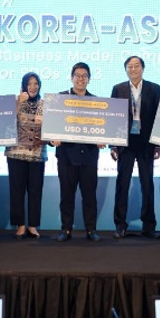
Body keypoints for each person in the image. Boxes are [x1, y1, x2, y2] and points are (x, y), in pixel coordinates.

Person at [110, 55, 160, 240]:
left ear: (143, 68)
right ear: (126, 69)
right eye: (129, 66)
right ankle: (120, 225)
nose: (133, 69)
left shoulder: (154, 89)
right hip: (125, 144)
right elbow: (113, 118)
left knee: (147, 185)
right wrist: (114, 145)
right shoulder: (118, 89)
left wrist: (158, 144)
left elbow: (159, 117)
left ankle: (149, 225)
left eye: (136, 66)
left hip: (146, 143)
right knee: (122, 185)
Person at [53, 63, 103, 242]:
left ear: (89, 79)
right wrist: (53, 138)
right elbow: (52, 126)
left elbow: (102, 128)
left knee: (89, 195)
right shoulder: (60, 99)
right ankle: (65, 229)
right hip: (66, 156)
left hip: (89, 156)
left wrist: (103, 138)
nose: (81, 79)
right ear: (71, 77)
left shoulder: (97, 102)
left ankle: (91, 230)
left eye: (84, 76)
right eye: (77, 75)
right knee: (67, 195)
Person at [6, 72, 46, 240]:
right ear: (23, 86)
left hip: (37, 155)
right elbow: (5, 124)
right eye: (29, 84)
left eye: (36, 84)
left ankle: (33, 226)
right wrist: (17, 104)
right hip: (16, 154)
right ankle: (20, 225)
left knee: (36, 191)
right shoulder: (14, 102)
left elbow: (51, 129)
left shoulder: (46, 105)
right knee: (17, 190)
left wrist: (44, 139)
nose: (33, 87)